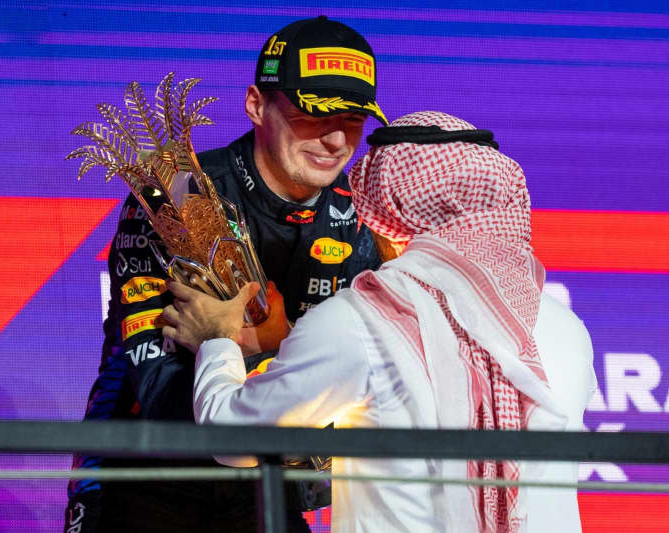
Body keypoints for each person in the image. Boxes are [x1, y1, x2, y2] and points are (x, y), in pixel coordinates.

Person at [163, 111, 598, 533]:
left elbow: (232, 439)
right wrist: (285, 345)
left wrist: (217, 339)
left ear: (386, 212)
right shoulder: (566, 329)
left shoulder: (361, 320)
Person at [64, 16, 387, 533]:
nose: (335, 140)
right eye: (312, 115)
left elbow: (369, 387)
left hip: (265, 479)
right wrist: (281, 352)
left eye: (352, 119)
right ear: (256, 105)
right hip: (144, 472)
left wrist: (258, 344)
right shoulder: (176, 194)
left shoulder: (362, 214)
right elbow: (159, 386)